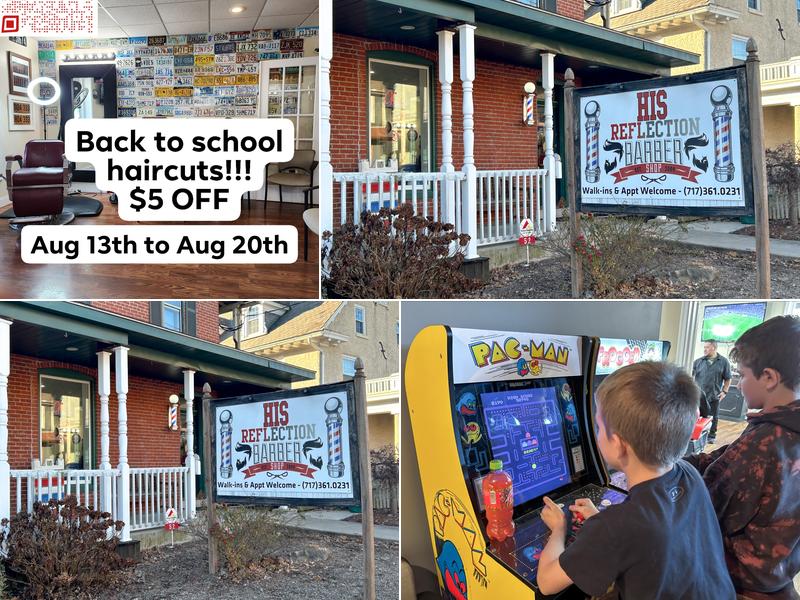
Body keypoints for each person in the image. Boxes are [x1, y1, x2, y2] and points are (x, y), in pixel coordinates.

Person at [536, 361, 735, 600]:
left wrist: (559, 529)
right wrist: (601, 521)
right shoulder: (688, 474)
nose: (595, 433)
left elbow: (547, 582)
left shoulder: (615, 527)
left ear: (618, 445)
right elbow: (654, 531)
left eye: (598, 426)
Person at [685, 316, 800, 600]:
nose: (738, 385)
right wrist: (682, 461)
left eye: (743, 375)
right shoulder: (782, 426)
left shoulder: (766, 440)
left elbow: (709, 500)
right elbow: (723, 457)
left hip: (739, 576)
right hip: (779, 569)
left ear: (769, 378)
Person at [692, 340, 732, 444]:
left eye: (707, 347)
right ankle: (695, 434)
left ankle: (711, 435)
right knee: (696, 416)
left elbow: (728, 378)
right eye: (704, 347)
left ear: (714, 348)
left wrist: (724, 392)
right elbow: (691, 377)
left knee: (714, 416)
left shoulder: (723, 362)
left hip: (714, 395)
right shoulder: (698, 362)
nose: (704, 349)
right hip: (699, 396)